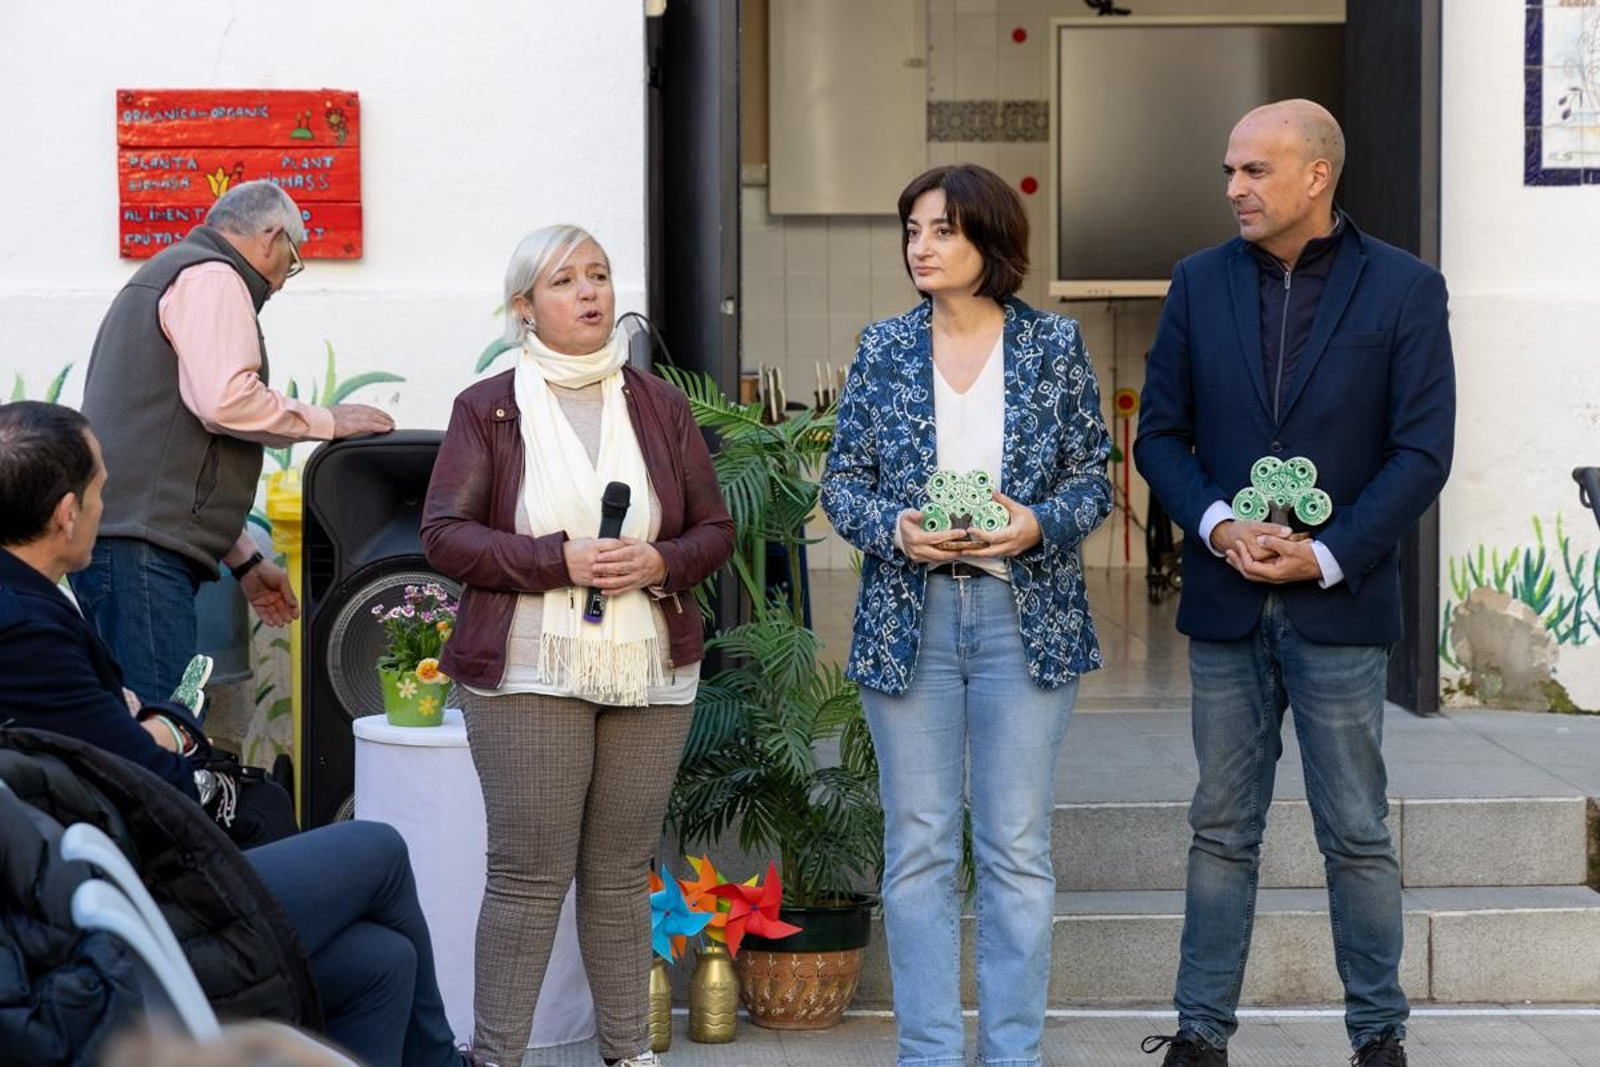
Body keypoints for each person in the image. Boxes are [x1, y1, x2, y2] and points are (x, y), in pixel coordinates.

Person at [1133, 100, 1455, 1067]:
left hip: (1340, 606)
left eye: (1254, 171)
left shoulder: (1404, 288)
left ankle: (1378, 1037)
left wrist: (1322, 552)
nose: (1233, 187)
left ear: (1317, 176)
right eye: (1230, 170)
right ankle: (1199, 1035)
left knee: (1356, 831)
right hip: (1229, 601)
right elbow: (1158, 434)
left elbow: (1421, 452)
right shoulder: (1196, 283)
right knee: (1221, 829)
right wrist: (1223, 524)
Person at [0, 400, 465, 1067]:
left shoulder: (26, 602)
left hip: (124, 892)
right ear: (65, 513)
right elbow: (162, 784)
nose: (109, 504)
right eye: (103, 488)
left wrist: (150, 723)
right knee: (380, 845)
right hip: (120, 929)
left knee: (379, 962)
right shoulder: (25, 631)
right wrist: (166, 727)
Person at [421, 225, 734, 1067]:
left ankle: (630, 1054)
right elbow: (444, 536)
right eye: (565, 281)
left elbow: (715, 530)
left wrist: (659, 559)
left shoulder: (661, 405)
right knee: (527, 875)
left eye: (598, 275)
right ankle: (495, 1056)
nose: (590, 293)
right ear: (525, 306)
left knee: (624, 874)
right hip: (529, 663)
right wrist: (555, 558)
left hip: (649, 661)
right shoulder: (487, 407)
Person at [821, 164, 1112, 1067]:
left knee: (1016, 848)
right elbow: (842, 483)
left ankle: (1014, 1052)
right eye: (912, 229)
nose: (922, 245)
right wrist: (893, 530)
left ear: (989, 238)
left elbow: (1092, 477)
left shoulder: (1053, 346)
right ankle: (930, 1053)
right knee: (916, 847)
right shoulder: (881, 347)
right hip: (910, 622)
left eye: (942, 229)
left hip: (1023, 619)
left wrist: (1037, 522)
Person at [71, 180, 395, 705]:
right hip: (141, 551)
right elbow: (225, 402)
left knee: (134, 729)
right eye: (292, 262)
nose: (284, 283)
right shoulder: (213, 276)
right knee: (163, 732)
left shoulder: (173, 271)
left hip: (125, 542)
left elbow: (176, 445)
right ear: (272, 237)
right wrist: (329, 421)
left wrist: (243, 560)